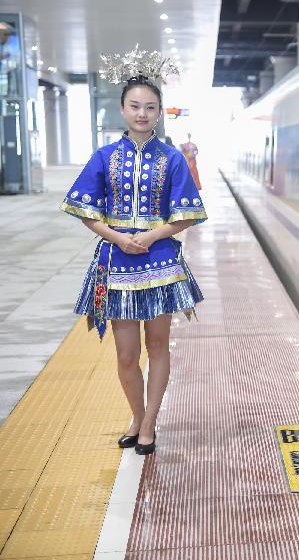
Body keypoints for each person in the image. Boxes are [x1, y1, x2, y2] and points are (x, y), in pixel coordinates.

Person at [59, 53, 206, 456]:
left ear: (159, 112)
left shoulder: (172, 158)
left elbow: (187, 214)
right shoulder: (104, 156)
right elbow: (85, 212)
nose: (142, 113)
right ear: (122, 109)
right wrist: (118, 238)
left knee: (158, 347)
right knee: (126, 355)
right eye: (135, 106)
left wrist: (152, 234)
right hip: (117, 264)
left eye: (150, 107)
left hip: (161, 264)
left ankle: (149, 425)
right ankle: (137, 416)